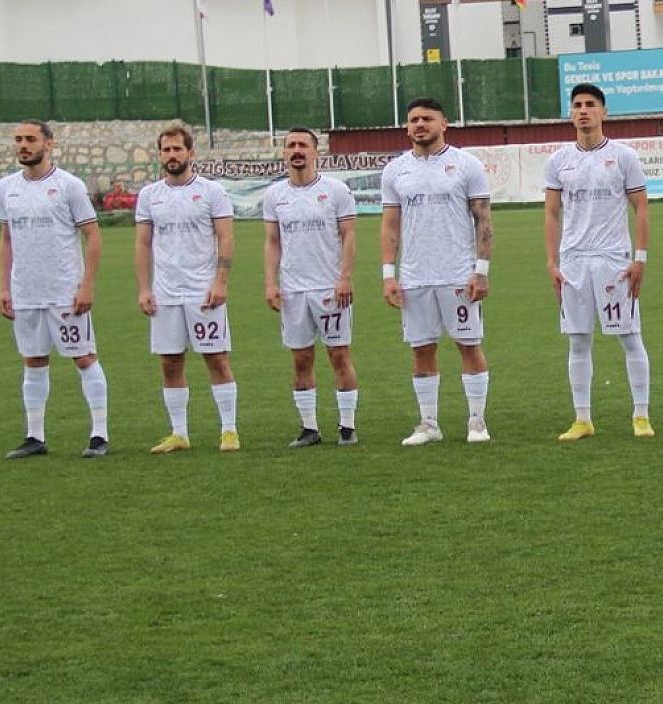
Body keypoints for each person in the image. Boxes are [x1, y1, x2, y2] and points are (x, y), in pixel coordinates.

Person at [380, 96, 494, 445]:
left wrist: (482, 269)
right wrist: (388, 273)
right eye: (413, 119)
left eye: (427, 118)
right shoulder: (395, 170)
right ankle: (428, 424)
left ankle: (477, 421)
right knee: (421, 349)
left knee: (468, 344)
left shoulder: (466, 165)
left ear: (444, 124)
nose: (420, 124)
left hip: (458, 274)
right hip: (415, 277)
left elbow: (483, 220)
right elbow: (390, 226)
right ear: (406, 126)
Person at [544, 83, 654, 440]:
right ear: (570, 113)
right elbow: (551, 214)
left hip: (613, 259)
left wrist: (640, 258)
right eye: (577, 105)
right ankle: (582, 419)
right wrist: (551, 261)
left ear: (604, 112)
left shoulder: (624, 157)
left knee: (628, 335)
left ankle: (641, 415)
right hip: (573, 260)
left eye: (591, 105)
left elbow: (641, 209)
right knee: (578, 340)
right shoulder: (559, 160)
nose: (583, 111)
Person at [0, 120, 110, 459]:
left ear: (49, 144)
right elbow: (6, 239)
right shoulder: (6, 187)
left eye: (30, 139)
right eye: (18, 140)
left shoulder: (68, 186)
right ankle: (34, 436)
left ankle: (99, 435)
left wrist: (86, 285)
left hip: (64, 291)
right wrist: (4, 286)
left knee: (84, 357)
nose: (23, 145)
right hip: (25, 291)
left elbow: (93, 236)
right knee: (33, 360)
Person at [134, 122, 240, 452]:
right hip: (165, 293)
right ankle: (179, 433)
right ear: (160, 155)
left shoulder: (212, 192)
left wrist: (220, 282)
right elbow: (142, 244)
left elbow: (226, 238)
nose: (172, 155)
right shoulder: (149, 196)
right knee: (169, 362)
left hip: (202, 291)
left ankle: (229, 430)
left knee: (216, 359)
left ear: (190, 152)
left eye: (177, 149)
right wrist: (144, 288)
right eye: (166, 150)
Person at [263, 126, 361, 446]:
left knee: (338, 355)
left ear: (315, 152)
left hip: (329, 288)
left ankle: (347, 426)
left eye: (303, 145)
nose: (297, 150)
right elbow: (272, 241)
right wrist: (270, 282)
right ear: (284, 153)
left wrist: (344, 277)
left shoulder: (335, 190)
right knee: (301, 359)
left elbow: (348, 235)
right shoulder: (275, 195)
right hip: (293, 291)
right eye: (291, 145)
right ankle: (309, 428)